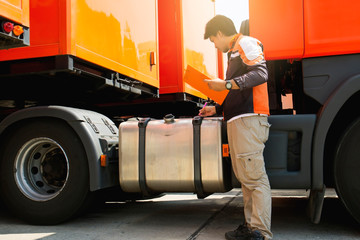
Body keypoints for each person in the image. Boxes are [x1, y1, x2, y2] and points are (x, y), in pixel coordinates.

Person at [199, 15, 273, 240]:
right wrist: (217, 109)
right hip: (240, 120)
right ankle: (252, 229)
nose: (214, 44)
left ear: (220, 33)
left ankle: (261, 233)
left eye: (213, 40)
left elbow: (261, 73)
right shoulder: (234, 52)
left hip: (249, 120)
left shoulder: (246, 42)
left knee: (254, 177)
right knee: (247, 177)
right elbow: (238, 91)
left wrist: (227, 84)